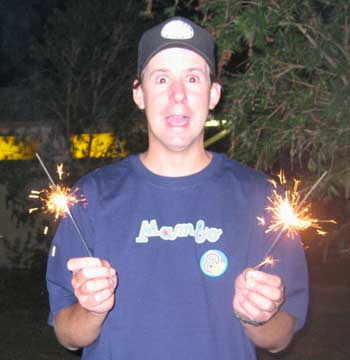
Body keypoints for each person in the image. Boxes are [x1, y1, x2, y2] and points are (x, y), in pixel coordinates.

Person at [46, 16, 308, 360]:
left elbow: (281, 336)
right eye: (162, 78)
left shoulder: (262, 197)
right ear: (139, 94)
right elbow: (66, 334)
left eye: (193, 78)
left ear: (213, 93)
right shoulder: (91, 197)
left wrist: (256, 318)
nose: (178, 95)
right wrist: (92, 310)